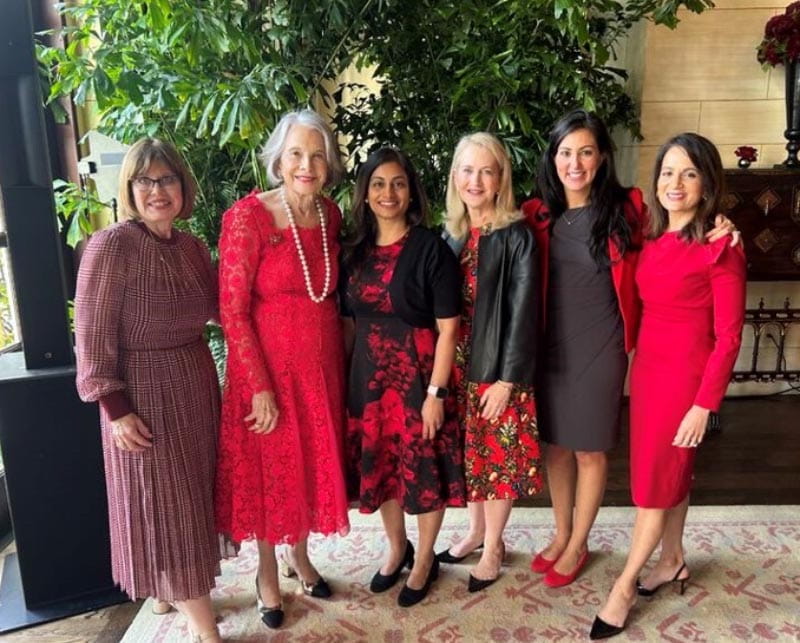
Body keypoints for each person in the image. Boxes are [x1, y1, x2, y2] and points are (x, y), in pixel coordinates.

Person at [521, 110, 738, 588]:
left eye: (585, 151)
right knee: (554, 445)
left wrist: (722, 223)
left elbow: (682, 225)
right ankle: (561, 533)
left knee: (589, 449)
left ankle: (579, 544)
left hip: (602, 344)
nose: (574, 163)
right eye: (564, 152)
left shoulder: (630, 207)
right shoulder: (535, 213)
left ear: (602, 157)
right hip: (550, 344)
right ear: (552, 158)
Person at [590, 133, 746, 639]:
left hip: (685, 381)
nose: (674, 183)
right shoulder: (650, 235)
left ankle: (625, 584)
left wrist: (705, 405)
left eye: (689, 174)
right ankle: (672, 560)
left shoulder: (720, 247)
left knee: (654, 486)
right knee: (669, 473)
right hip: (649, 375)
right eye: (667, 172)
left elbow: (729, 337)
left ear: (707, 185)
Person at [75, 139, 222, 642]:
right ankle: (205, 628)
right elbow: (91, 335)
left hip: (195, 386)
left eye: (167, 179)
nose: (157, 190)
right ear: (130, 189)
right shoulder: (112, 245)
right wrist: (115, 409)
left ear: (184, 186)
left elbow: (220, 310)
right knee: (165, 506)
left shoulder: (192, 247)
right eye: (145, 181)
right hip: (141, 394)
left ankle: (168, 589)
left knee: (191, 500)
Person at [215, 109, 350, 630]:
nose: (306, 164)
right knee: (271, 473)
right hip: (267, 372)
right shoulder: (248, 217)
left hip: (319, 370)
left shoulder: (330, 216)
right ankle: (267, 570)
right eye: (296, 153)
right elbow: (232, 309)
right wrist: (257, 387)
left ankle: (299, 555)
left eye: (317, 155)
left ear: (329, 163)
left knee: (308, 467)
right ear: (277, 158)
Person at [341, 147, 464, 607]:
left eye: (397, 183)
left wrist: (436, 393)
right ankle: (397, 549)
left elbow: (449, 329)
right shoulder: (352, 250)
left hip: (417, 379)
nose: (387, 193)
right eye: (378, 184)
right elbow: (348, 322)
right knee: (384, 471)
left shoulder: (430, 248)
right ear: (365, 193)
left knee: (423, 471)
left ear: (411, 191)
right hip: (368, 383)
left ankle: (427, 557)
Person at [436, 132, 542, 592]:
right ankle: (476, 532)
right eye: (466, 169)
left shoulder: (516, 235)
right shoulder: (453, 233)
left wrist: (508, 380)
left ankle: (495, 544)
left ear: (501, 179)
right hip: (456, 362)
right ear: (455, 177)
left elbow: (524, 311)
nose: (474, 180)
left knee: (497, 458)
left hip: (497, 366)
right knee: (470, 456)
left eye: (485, 171)